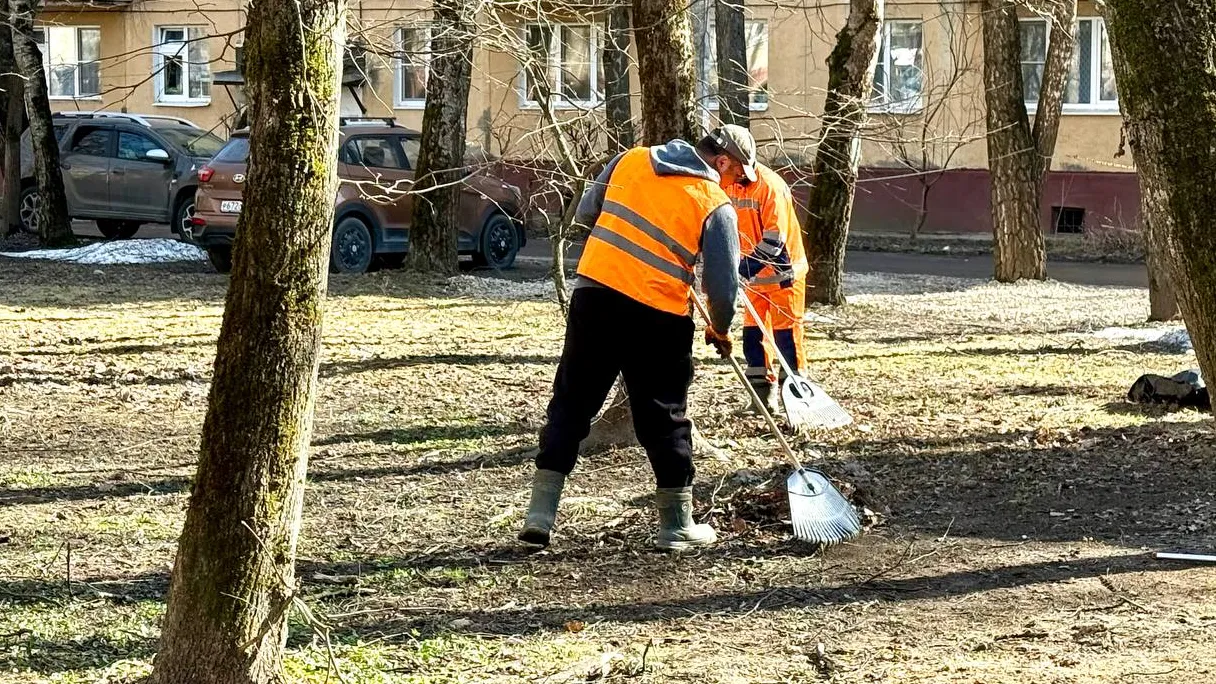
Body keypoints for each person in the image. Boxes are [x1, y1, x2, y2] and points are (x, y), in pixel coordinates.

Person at [518, 127, 758, 551]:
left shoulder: (629, 159)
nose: (735, 186)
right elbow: (723, 290)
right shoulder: (713, 205)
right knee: (663, 417)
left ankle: (540, 516)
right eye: (738, 176)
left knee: (572, 403)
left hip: (594, 296)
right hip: (657, 316)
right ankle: (677, 526)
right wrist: (719, 328)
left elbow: (588, 214)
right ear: (722, 162)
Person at [720, 129, 809, 414]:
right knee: (753, 339)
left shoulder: (771, 187)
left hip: (784, 277)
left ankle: (796, 399)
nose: (735, 174)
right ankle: (761, 398)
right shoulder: (727, 186)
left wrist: (743, 269)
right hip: (754, 279)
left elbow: (775, 239)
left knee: (787, 340)